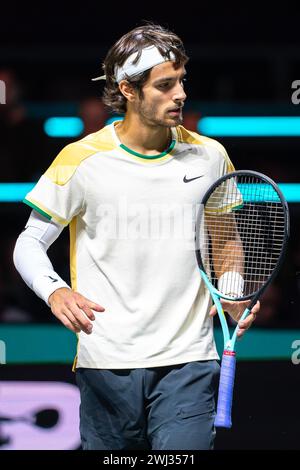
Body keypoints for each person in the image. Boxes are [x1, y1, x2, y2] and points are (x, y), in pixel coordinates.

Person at [13, 23, 259, 450]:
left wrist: (232, 293)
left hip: (189, 359)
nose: (180, 94)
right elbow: (29, 243)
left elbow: (227, 242)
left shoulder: (210, 155)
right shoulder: (81, 159)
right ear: (128, 89)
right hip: (106, 363)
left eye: (182, 81)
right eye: (165, 85)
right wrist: (55, 292)